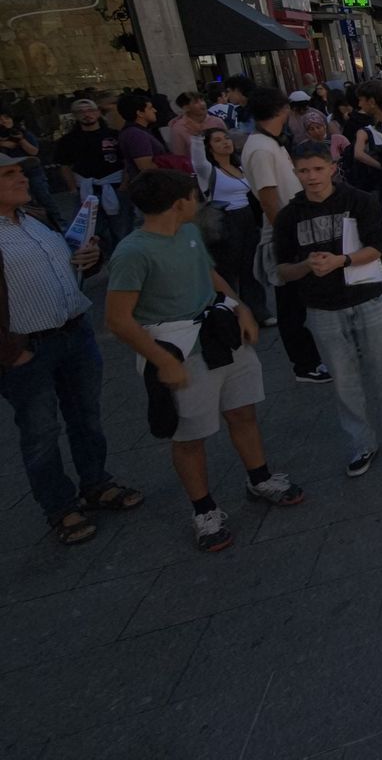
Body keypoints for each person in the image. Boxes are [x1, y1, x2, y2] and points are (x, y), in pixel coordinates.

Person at [105, 169, 304, 553]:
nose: (200, 201)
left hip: (220, 334)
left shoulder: (189, 232)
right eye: (195, 195)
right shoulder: (133, 252)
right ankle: (204, 510)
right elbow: (117, 319)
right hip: (180, 350)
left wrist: (240, 307)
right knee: (189, 435)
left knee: (242, 411)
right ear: (180, 202)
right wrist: (162, 361)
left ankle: (259, 477)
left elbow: (210, 274)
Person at [0, 156, 138, 545]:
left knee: (86, 417)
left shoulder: (37, 217)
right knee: (40, 432)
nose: (22, 178)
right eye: (9, 174)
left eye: (20, 170)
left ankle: (96, 483)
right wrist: (11, 353)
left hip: (74, 335)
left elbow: (69, 264)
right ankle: (60, 506)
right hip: (28, 350)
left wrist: (88, 260)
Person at [276, 142, 382, 476]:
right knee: (344, 380)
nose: (311, 177)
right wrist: (307, 266)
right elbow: (283, 269)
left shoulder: (360, 200)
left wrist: (341, 260)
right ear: (295, 173)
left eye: (318, 169)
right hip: (322, 307)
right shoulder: (288, 216)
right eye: (304, 171)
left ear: (332, 168)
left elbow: (376, 247)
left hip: (366, 298)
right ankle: (361, 443)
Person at [240, 90, 329, 384]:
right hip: (285, 231)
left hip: (297, 225)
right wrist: (286, 235)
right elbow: (267, 197)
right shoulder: (261, 148)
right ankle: (305, 364)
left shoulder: (271, 143)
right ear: (282, 111)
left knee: (304, 296)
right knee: (291, 300)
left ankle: (315, 355)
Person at [197, 128, 268, 323]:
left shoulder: (241, 167)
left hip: (247, 217)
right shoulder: (209, 170)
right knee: (227, 269)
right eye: (218, 141)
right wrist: (196, 137)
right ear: (209, 148)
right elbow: (197, 162)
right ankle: (231, 313)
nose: (225, 143)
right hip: (224, 220)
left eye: (226, 138)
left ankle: (258, 311)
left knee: (250, 267)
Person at [54, 97, 129, 247]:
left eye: (90, 110)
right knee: (94, 230)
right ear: (74, 115)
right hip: (87, 188)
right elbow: (65, 165)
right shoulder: (68, 141)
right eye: (80, 112)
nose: (86, 114)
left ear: (97, 112)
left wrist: (124, 185)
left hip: (114, 186)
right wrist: (72, 188)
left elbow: (127, 161)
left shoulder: (114, 135)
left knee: (122, 227)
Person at [116, 92, 166, 181]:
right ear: (140, 113)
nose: (155, 110)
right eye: (150, 108)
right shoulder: (135, 134)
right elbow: (146, 167)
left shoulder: (138, 131)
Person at [169, 92, 225, 168]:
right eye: (196, 102)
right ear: (186, 107)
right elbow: (180, 157)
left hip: (222, 166)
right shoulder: (179, 128)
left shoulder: (217, 121)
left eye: (202, 100)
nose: (202, 104)